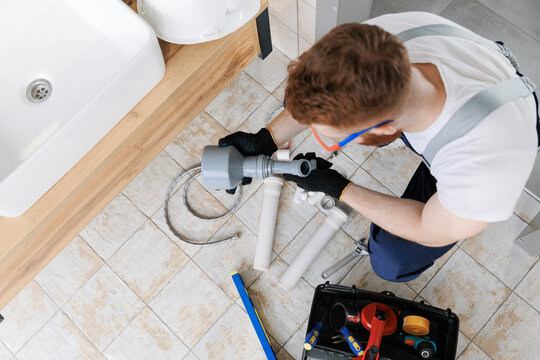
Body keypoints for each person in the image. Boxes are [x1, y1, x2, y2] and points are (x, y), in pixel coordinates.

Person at [218, 12, 539, 282]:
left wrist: (338, 187)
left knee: (391, 258)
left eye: (336, 139)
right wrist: (266, 139)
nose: (323, 138)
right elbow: (328, 93)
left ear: (387, 127)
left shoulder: (482, 169)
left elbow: (429, 228)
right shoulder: (378, 43)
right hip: (455, 99)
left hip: (494, 124)